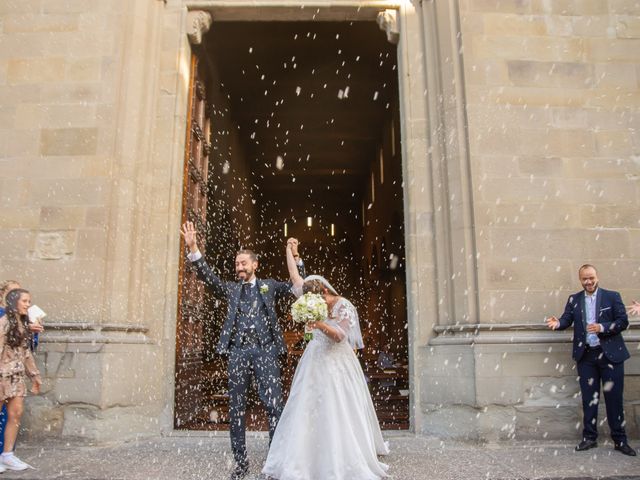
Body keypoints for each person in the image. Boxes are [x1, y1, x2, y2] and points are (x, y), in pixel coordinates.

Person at [179, 222, 304, 480]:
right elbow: (209, 280)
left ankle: (274, 463)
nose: (239, 267)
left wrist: (296, 257)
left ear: (255, 265)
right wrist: (193, 249)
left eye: (244, 263)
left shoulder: (269, 286)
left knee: (274, 407)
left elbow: (296, 286)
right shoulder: (232, 289)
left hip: (266, 351)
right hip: (237, 352)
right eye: (237, 264)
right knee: (236, 409)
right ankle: (240, 463)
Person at [261, 245, 389, 480]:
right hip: (313, 359)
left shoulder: (344, 306)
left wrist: (317, 323)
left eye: (316, 299)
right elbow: (294, 277)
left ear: (324, 292)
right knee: (305, 403)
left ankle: (339, 454)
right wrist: (289, 250)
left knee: (338, 404)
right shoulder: (310, 296)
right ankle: (304, 455)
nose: (312, 302)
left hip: (338, 362)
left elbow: (340, 336)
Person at [546, 264, 636, 456]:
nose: (588, 282)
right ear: (580, 280)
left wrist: (602, 328)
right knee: (589, 399)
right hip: (586, 357)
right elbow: (566, 319)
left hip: (611, 357)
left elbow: (623, 322)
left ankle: (620, 440)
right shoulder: (574, 299)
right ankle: (589, 438)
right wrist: (558, 323)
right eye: (584, 279)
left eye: (591, 278)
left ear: (597, 277)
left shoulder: (612, 296)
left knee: (614, 400)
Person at [0, 289, 42, 471]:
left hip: (16, 377)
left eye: (29, 301)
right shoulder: (3, 323)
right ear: (14, 302)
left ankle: (7, 455)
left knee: (15, 414)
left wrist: (34, 376)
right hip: (2, 376)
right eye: (24, 301)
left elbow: (26, 354)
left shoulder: (22, 325)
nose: (28, 305)